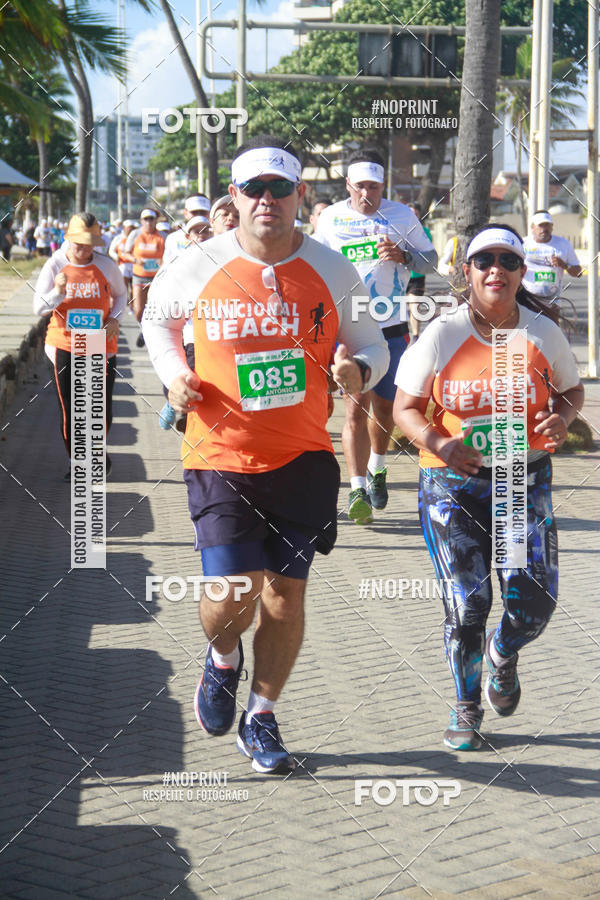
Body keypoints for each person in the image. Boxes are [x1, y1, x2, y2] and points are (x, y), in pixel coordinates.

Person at [143, 134, 389, 774]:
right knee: (233, 593)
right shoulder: (198, 264)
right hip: (219, 453)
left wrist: (358, 369)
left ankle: (263, 715)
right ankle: (223, 659)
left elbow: (372, 342)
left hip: (304, 457)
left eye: (281, 188)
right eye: (254, 189)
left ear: (300, 196)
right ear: (236, 196)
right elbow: (157, 323)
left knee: (284, 598)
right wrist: (174, 375)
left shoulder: (335, 270)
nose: (267, 201)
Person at [393, 223, 584, 751]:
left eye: (508, 260)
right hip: (452, 486)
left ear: (522, 272)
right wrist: (439, 440)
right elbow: (404, 408)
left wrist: (561, 422)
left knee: (532, 606)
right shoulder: (442, 334)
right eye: (484, 261)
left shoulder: (542, 334)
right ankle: (466, 704)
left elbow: (571, 392)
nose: (496, 269)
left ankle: (503, 654)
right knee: (467, 604)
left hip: (520, 484)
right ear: (468, 272)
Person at [315, 147, 437, 524]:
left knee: (384, 409)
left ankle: (377, 470)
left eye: (375, 186)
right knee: (354, 408)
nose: (368, 194)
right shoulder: (332, 218)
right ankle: (356, 489)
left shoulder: (402, 215)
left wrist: (404, 256)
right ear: (348, 185)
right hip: (349, 329)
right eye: (361, 186)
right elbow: (312, 265)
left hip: (393, 327)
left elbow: (430, 260)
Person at [33, 213, 127, 480]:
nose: (84, 249)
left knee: (99, 406)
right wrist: (58, 293)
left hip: (99, 342)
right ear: (68, 239)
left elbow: (121, 296)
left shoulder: (107, 266)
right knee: (72, 407)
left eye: (89, 243)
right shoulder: (55, 265)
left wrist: (114, 319)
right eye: (79, 243)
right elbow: (39, 307)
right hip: (65, 343)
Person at [522, 210, 582, 309]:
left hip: (552, 302)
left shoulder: (563, 244)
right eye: (540, 225)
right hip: (527, 301)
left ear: (552, 227)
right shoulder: (523, 243)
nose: (544, 229)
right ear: (532, 227)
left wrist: (564, 265)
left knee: (551, 324)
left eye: (547, 225)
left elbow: (578, 273)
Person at [123, 208, 164, 347]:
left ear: (155, 221)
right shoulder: (135, 234)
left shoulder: (162, 236)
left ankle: (150, 332)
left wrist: (162, 262)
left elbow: (169, 255)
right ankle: (144, 329)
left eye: (151, 219)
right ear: (141, 221)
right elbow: (126, 253)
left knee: (155, 308)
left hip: (157, 278)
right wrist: (135, 260)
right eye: (145, 219)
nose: (148, 222)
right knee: (138, 309)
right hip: (139, 276)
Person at [163, 195, 212, 265]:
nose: (198, 215)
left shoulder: (217, 236)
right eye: (194, 212)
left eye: (202, 212)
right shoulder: (172, 238)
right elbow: (166, 267)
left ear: (209, 213)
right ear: (185, 213)